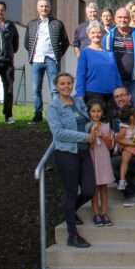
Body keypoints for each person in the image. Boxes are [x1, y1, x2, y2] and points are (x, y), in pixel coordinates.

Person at [45, 72, 95, 248]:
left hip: (84, 152)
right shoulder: (53, 107)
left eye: (69, 83)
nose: (66, 86)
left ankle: (69, 210)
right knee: (71, 191)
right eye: (62, 84)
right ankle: (72, 236)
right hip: (67, 154)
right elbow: (58, 133)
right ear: (57, 86)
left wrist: (93, 129)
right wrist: (84, 137)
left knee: (89, 190)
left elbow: (87, 122)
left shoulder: (78, 103)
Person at [25, 0, 70, 123]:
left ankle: (57, 115)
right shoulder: (31, 24)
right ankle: (38, 115)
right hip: (36, 60)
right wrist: (33, 55)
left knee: (55, 89)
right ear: (37, 8)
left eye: (46, 6)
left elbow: (65, 42)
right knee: (36, 90)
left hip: (51, 60)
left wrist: (58, 55)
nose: (44, 8)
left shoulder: (57, 23)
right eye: (41, 6)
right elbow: (26, 43)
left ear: (50, 8)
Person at [75, 21, 122, 122]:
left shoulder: (109, 53)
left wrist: (120, 90)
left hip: (111, 93)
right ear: (88, 35)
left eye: (98, 32)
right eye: (93, 32)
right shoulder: (85, 52)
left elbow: (116, 74)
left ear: (103, 33)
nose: (96, 35)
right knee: (96, 124)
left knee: (111, 122)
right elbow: (80, 74)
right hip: (93, 92)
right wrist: (80, 93)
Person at [103, 7, 135, 103]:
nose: (122, 20)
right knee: (115, 107)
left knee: (133, 108)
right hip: (115, 80)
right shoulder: (108, 36)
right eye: (120, 17)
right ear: (115, 19)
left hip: (134, 81)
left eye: (125, 17)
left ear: (130, 19)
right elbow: (102, 60)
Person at [87, 99, 115, 227]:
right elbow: (91, 146)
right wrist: (93, 131)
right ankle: (96, 214)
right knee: (95, 188)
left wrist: (103, 135)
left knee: (103, 186)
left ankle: (104, 213)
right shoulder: (87, 126)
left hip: (103, 158)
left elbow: (110, 146)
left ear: (102, 112)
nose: (96, 114)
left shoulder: (106, 126)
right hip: (93, 159)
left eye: (98, 111)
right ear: (89, 112)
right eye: (93, 111)